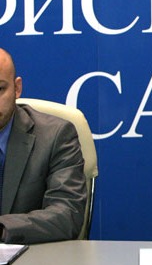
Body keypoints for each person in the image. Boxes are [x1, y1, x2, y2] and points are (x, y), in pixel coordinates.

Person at [0, 48, 87, 244]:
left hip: (33, 259)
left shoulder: (56, 135)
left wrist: (2, 229)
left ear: (17, 88)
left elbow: (67, 214)